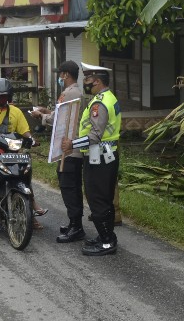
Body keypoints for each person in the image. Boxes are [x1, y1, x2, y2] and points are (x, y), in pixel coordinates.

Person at [0, 78, 46, 225]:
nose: (2, 99)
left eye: (5, 96)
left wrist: (31, 139)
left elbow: (25, 131)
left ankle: (31, 206)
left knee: (24, 174)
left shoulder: (16, 111)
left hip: (13, 153)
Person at [30, 61, 86, 243]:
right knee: (73, 186)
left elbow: (60, 119)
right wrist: (48, 111)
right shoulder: (77, 93)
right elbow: (62, 113)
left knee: (69, 188)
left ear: (66, 75)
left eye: (61, 75)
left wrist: (41, 116)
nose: (59, 78)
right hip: (73, 148)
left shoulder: (69, 93)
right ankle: (74, 223)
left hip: (69, 150)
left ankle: (76, 227)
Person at [71, 63, 122, 256]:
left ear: (97, 81)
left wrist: (73, 144)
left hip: (99, 156)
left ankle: (107, 242)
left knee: (97, 198)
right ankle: (106, 236)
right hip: (106, 154)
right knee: (105, 197)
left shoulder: (99, 103)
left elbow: (95, 134)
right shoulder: (109, 97)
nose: (85, 83)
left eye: (87, 80)